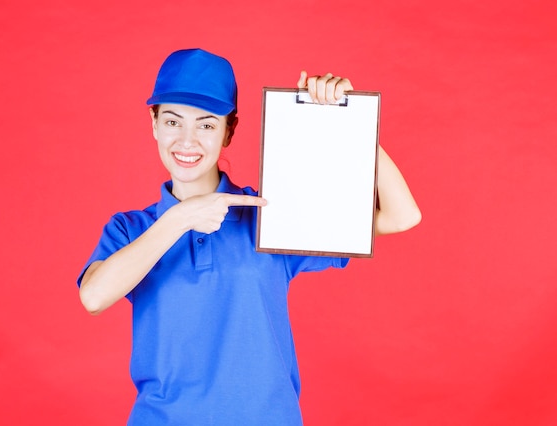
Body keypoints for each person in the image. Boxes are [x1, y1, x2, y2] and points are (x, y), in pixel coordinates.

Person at [78, 48, 421, 425]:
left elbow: (401, 215)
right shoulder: (131, 229)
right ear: (154, 124)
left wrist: (352, 120)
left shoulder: (267, 216)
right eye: (173, 121)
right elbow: (93, 296)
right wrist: (179, 218)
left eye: (207, 124)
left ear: (229, 131)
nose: (187, 140)